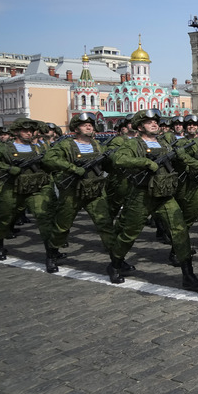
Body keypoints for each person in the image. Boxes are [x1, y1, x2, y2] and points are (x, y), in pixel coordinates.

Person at [106, 109, 198, 292]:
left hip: (165, 195)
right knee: (129, 234)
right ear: (140, 126)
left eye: (156, 122)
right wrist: (144, 162)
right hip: (142, 195)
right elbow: (118, 159)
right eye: (150, 122)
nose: (154, 124)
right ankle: (115, 264)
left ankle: (188, 275)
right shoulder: (134, 143)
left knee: (180, 231)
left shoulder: (164, 143)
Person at [39, 112, 118, 274]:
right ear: (76, 128)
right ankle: (52, 254)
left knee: (105, 224)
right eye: (84, 125)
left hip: (95, 190)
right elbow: (48, 159)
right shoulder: (66, 145)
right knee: (63, 225)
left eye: (90, 124)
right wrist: (73, 168)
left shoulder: (97, 145)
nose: (89, 127)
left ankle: (117, 259)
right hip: (72, 191)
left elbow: (107, 167)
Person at [0, 117, 52, 261]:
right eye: (25, 130)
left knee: (44, 218)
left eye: (31, 131)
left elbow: (51, 161)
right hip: (12, 188)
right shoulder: (5, 147)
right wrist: (7, 168)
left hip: (35, 188)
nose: (29, 133)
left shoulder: (38, 147)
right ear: (17, 131)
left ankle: (51, 253)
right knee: (4, 217)